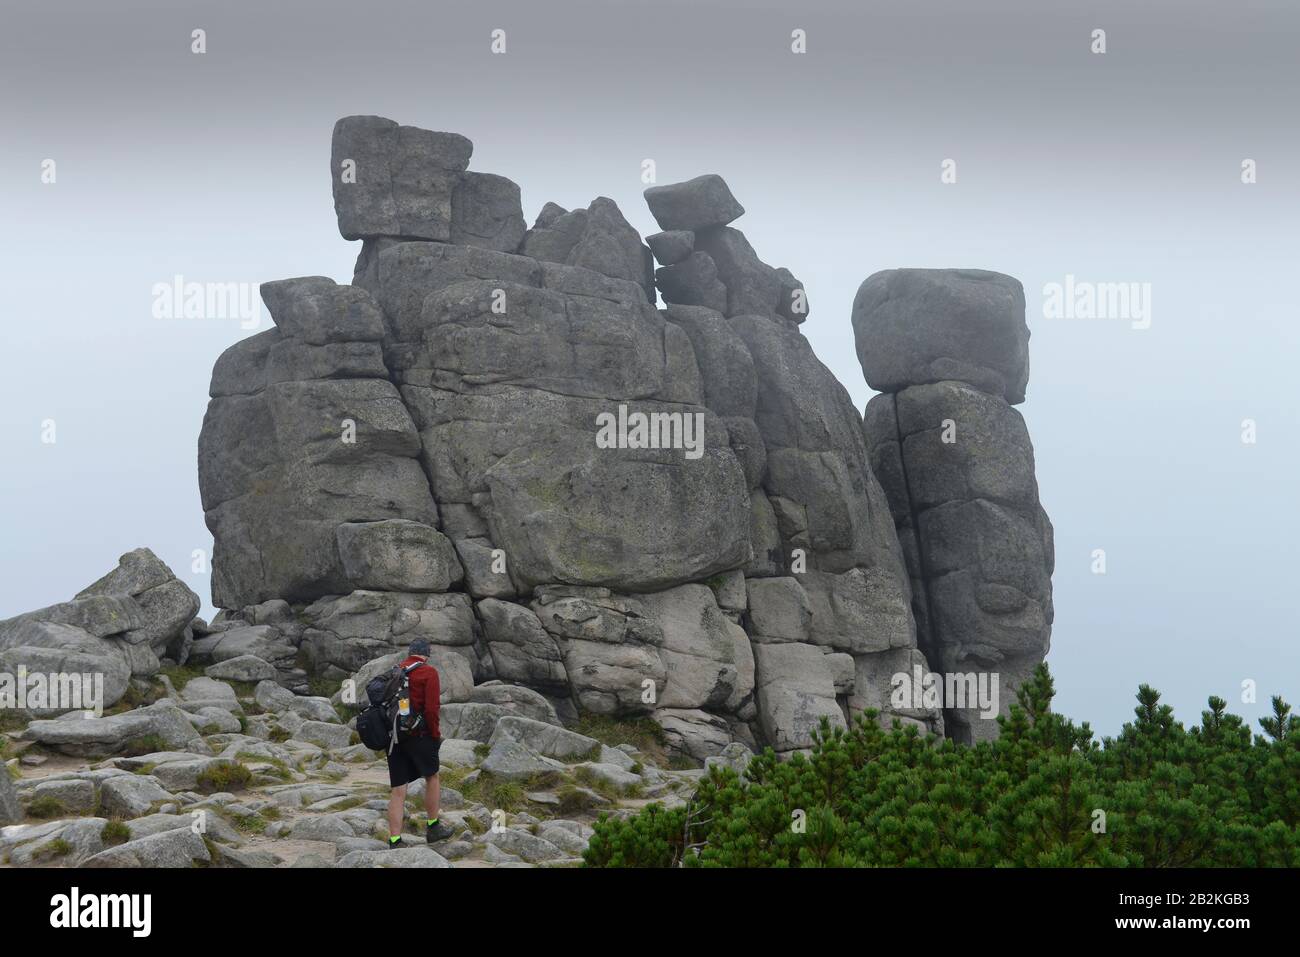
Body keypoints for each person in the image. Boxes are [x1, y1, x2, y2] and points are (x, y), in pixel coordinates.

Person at [386, 638, 455, 846]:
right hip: (420, 735)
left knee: (398, 789)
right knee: (432, 777)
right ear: (425, 655)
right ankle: (433, 827)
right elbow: (432, 709)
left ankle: (395, 839)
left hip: (394, 737)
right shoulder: (428, 672)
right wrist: (434, 735)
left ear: (410, 653)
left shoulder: (395, 672)